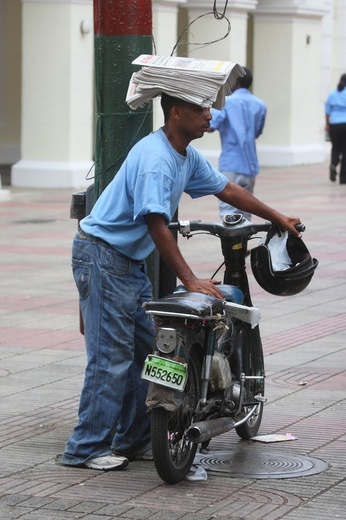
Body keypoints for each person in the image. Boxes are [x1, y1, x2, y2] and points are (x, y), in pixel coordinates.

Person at [59, 91, 301, 472]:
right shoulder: (156, 159)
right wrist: (188, 279)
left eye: (209, 108)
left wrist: (278, 217)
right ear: (176, 113)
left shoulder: (184, 155)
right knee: (111, 360)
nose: (210, 115)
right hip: (103, 257)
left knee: (148, 355)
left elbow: (228, 189)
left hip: (127, 263)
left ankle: (136, 440)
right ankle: (85, 448)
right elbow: (155, 222)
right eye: (200, 109)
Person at [209, 66, 267, 220]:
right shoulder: (260, 104)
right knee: (246, 211)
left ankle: (231, 243)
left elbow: (211, 124)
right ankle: (244, 243)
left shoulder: (225, 102)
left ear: (236, 82)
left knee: (227, 211)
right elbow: (258, 132)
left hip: (231, 164)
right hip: (250, 165)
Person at [325, 73, 346, 183]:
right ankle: (343, 178)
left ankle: (333, 164)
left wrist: (327, 124)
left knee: (335, 148)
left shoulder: (332, 94)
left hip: (334, 125)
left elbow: (327, 111)